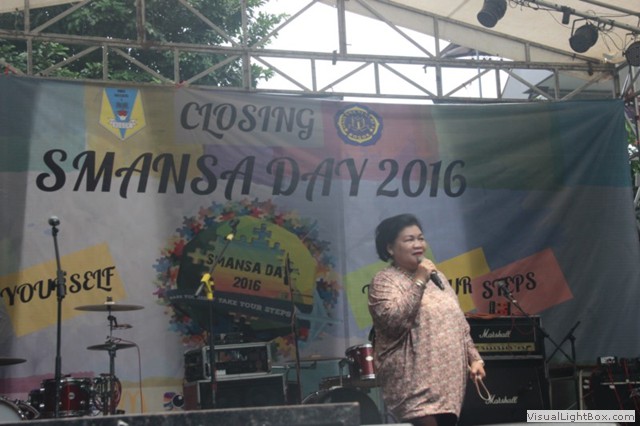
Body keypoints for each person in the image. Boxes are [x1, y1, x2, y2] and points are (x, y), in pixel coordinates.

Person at [368, 213, 486, 426]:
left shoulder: (438, 278)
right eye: (409, 239)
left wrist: (475, 358)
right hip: (412, 382)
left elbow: (458, 322)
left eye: (420, 238)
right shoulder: (384, 281)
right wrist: (420, 279)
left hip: (448, 382)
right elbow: (394, 322)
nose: (418, 244)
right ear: (390, 248)